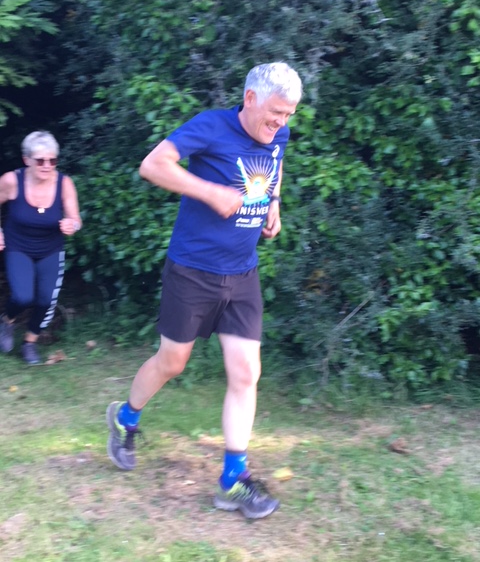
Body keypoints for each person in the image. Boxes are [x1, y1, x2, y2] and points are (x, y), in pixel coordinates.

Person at [106, 62, 302, 519]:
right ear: (250, 98)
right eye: (275, 113)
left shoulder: (279, 135)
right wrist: (210, 193)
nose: (280, 123)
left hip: (243, 273)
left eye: (288, 115)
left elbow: (275, 165)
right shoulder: (211, 127)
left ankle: (233, 480)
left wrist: (274, 202)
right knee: (172, 362)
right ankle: (125, 417)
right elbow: (153, 165)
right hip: (193, 271)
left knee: (246, 373)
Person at [0, 131, 82, 364]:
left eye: (52, 160)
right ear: (27, 160)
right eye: (40, 161)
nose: (47, 166)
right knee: (22, 296)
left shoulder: (64, 184)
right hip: (18, 246)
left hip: (51, 249)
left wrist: (72, 225)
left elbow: (75, 218)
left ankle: (29, 343)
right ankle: (6, 320)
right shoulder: (11, 181)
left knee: (46, 301)